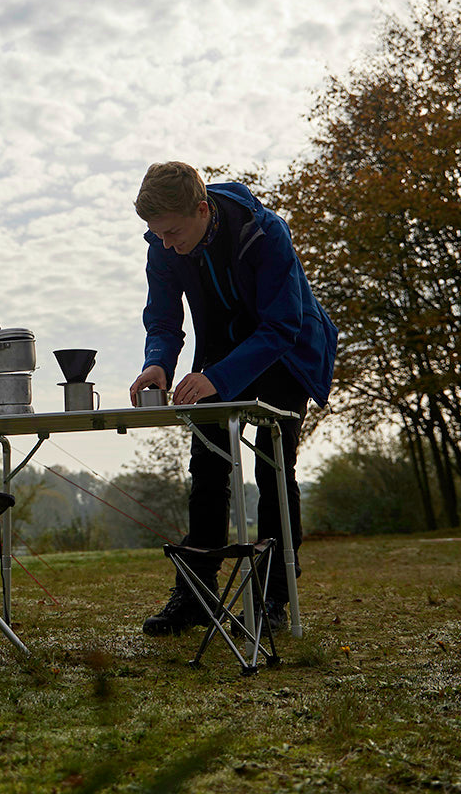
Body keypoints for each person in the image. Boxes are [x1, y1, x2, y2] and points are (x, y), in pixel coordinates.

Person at [128, 161, 336, 635]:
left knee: (273, 467)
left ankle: (272, 598)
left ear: (202, 210)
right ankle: (196, 596)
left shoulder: (265, 232)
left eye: (173, 232)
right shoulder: (163, 245)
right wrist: (157, 363)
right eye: (157, 234)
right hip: (221, 353)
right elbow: (163, 320)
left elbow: (282, 324)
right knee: (206, 465)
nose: (165, 244)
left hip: (286, 351)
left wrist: (218, 378)